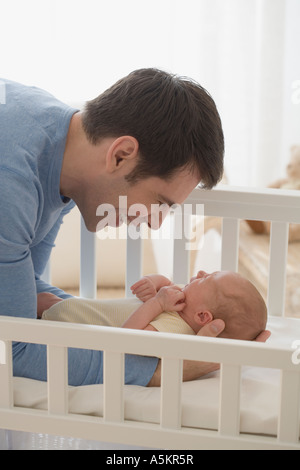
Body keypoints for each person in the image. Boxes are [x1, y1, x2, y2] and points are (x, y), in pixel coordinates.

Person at [0, 68, 267, 387]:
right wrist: (157, 371)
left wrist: (90, 319)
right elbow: (10, 346)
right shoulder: (12, 183)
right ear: (121, 155)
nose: (155, 222)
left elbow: (19, 292)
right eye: (161, 202)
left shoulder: (60, 150)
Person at [40, 270, 267, 344]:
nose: (200, 273)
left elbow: (128, 338)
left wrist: (157, 303)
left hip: (75, 321)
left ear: (202, 316)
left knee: (44, 305)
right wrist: (154, 283)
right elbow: (166, 285)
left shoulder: (174, 329)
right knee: (47, 299)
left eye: (205, 279)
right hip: (83, 308)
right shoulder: (183, 303)